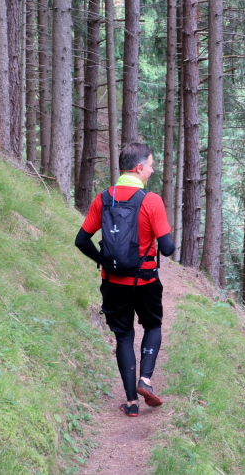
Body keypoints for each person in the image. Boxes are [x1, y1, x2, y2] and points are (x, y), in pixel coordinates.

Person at [75, 143, 175, 417]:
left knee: (123, 337)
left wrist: (103, 260)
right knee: (152, 325)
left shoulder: (103, 199)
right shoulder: (151, 200)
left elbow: (81, 240)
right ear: (139, 168)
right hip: (145, 281)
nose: (152, 170)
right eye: (151, 165)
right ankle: (146, 380)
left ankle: (131, 402)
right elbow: (167, 248)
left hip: (113, 282)